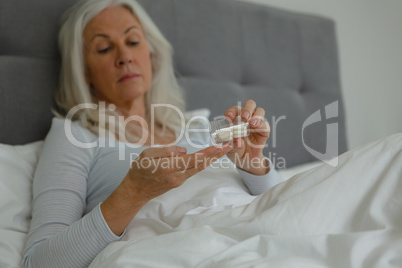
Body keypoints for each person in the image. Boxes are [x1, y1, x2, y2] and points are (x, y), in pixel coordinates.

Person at [23, 0, 283, 267]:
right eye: (104, 48)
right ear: (84, 71)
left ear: (151, 53)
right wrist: (132, 193)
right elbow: (39, 262)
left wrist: (253, 163)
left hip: (259, 244)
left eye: (133, 42)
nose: (124, 56)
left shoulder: (198, 126)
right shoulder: (75, 135)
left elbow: (284, 210)